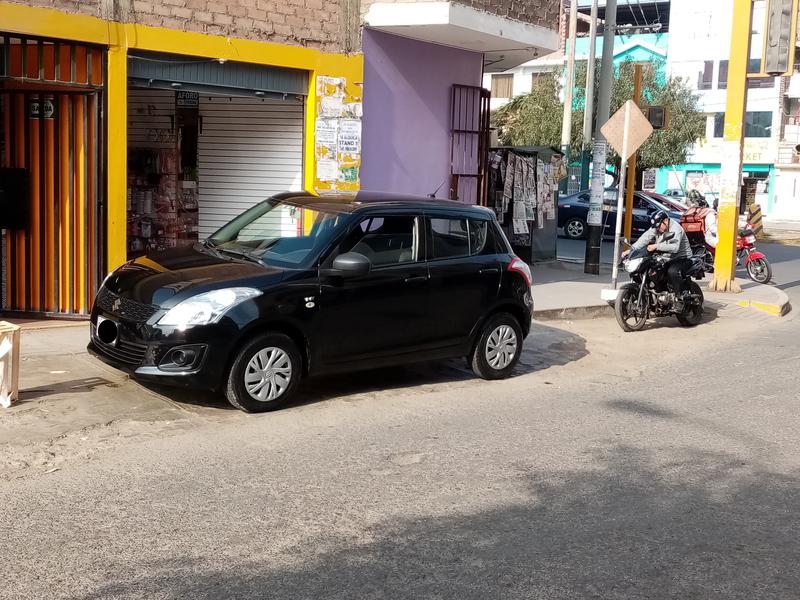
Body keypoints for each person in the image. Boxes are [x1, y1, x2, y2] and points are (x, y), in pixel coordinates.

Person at [623, 210, 694, 309]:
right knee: (651, 269)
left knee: (672, 271)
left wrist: (656, 246)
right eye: (656, 226)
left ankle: (679, 298)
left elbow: (674, 247)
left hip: (681, 258)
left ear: (666, 221)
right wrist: (631, 250)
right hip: (665, 258)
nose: (657, 228)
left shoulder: (676, 228)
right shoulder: (658, 227)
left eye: (658, 225)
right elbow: (645, 238)